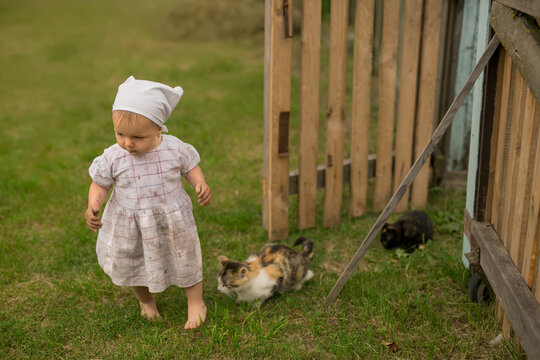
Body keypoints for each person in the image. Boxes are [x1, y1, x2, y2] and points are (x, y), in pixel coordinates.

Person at [84, 76, 211, 329]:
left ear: (158, 129)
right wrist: (94, 205)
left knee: (185, 256)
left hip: (172, 220)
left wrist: (200, 183)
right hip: (129, 223)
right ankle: (146, 301)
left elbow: (190, 167)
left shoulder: (174, 148)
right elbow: (100, 183)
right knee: (132, 261)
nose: (127, 143)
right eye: (120, 134)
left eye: (137, 137)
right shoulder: (113, 157)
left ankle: (196, 302)